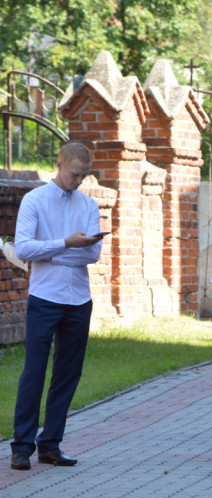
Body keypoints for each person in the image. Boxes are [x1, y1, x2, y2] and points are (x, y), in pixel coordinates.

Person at [9, 142, 104, 470]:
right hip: (45, 296)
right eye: (75, 174)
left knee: (68, 372)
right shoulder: (34, 200)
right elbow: (23, 248)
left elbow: (92, 254)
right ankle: (22, 446)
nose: (79, 181)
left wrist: (48, 253)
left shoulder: (89, 204)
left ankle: (51, 443)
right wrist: (65, 243)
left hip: (79, 298)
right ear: (60, 164)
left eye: (84, 176)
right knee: (34, 370)